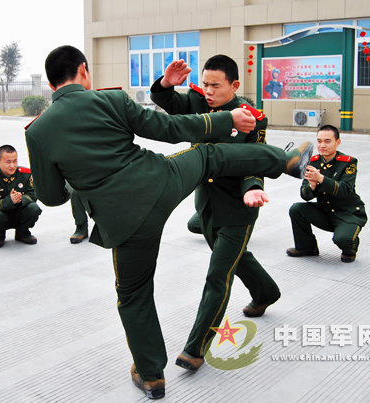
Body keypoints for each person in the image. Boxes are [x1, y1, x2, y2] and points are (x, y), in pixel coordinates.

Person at [24, 45, 311, 399]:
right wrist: (227, 120)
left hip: (123, 220)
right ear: (83, 70)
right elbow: (168, 128)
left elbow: (52, 196)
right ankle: (285, 161)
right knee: (206, 154)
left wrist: (76, 172)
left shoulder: (38, 131)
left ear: (51, 83)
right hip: (161, 181)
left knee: (133, 295)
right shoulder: (111, 100)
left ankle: (151, 375)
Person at [149, 56, 311, 373]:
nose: (208, 91)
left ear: (234, 86)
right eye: (205, 83)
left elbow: (253, 159)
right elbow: (168, 103)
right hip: (206, 204)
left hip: (240, 206)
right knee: (237, 258)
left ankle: (195, 348)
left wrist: (252, 187)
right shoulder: (197, 101)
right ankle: (266, 291)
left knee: (218, 274)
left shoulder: (252, 118)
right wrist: (167, 83)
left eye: (216, 85)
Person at [287, 125, 367, 263]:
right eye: (319, 141)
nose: (322, 145)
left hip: (347, 213)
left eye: (327, 141)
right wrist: (312, 185)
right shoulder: (313, 162)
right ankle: (307, 247)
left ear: (338, 142)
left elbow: (345, 190)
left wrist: (321, 179)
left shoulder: (348, 163)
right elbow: (305, 195)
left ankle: (350, 247)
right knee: (297, 209)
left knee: (343, 239)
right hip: (326, 211)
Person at [0, 144, 41, 247]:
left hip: (19, 212)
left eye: (15, 161)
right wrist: (9, 201)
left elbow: (33, 195)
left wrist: (20, 199)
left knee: (33, 208)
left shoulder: (25, 175)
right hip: (1, 214)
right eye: (8, 162)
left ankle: (22, 233)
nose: (12, 165)